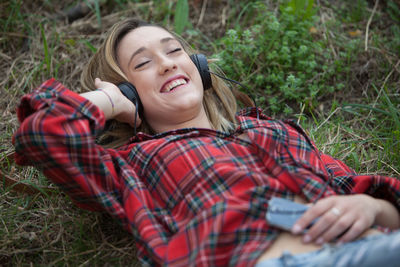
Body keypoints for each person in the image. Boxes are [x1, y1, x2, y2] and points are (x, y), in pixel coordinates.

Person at [13, 18, 400, 267]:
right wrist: (108, 101)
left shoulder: (276, 132)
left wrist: (370, 207)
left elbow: (376, 195)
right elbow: (43, 135)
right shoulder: (132, 164)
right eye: (142, 64)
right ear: (127, 89)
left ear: (198, 67)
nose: (166, 64)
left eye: (173, 51)